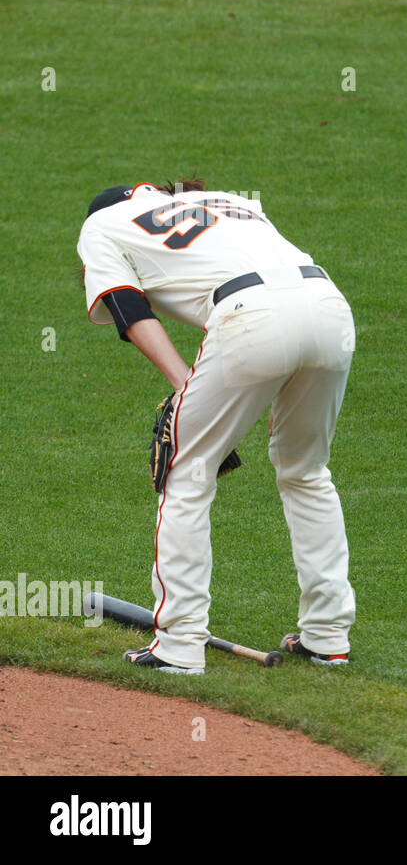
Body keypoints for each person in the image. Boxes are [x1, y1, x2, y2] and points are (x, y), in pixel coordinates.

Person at [77, 179, 356, 674]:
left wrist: (183, 383)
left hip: (251, 317)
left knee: (186, 473)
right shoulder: (228, 201)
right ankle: (327, 636)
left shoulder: (102, 222)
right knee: (306, 471)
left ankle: (180, 644)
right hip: (329, 308)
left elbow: (126, 306)